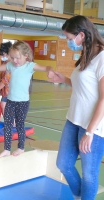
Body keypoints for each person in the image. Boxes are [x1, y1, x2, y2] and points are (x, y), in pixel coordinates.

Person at [48, 15, 104, 200]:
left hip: (93, 127)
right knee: (63, 164)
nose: (68, 42)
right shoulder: (86, 54)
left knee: (89, 174)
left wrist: (90, 132)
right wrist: (63, 80)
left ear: (81, 35)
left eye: (69, 38)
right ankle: (81, 196)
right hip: (73, 120)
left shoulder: (102, 58)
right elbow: (85, 87)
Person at [0, 41, 54, 157]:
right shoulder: (10, 65)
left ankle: (21, 148)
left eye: (17, 58)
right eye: (12, 58)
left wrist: (50, 70)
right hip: (10, 100)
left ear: (26, 56)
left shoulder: (30, 66)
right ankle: (6, 149)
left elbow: (46, 67)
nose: (15, 61)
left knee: (19, 125)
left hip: (23, 102)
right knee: (7, 125)